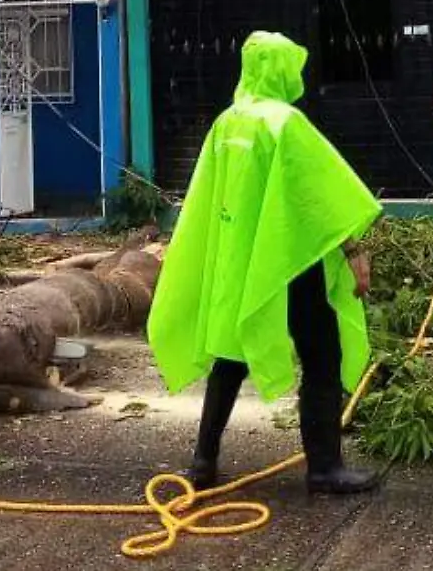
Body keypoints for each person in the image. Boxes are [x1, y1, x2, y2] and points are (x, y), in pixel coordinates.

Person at [148, 31, 382, 496]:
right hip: (289, 259)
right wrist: (353, 251)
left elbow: (207, 200)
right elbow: (319, 197)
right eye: (291, 66)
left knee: (232, 354)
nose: (297, 75)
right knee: (321, 356)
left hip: (239, 259)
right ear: (277, 68)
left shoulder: (227, 123)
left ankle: (203, 461)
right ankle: (324, 468)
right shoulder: (285, 123)